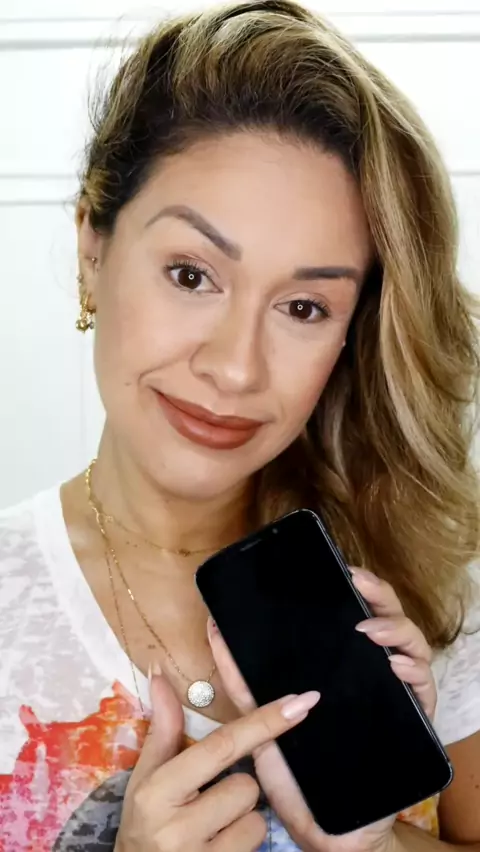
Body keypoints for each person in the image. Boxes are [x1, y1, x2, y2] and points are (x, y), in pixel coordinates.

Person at [1, 0, 479, 848]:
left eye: (304, 306)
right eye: (191, 275)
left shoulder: (428, 598)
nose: (235, 368)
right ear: (93, 251)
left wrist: (368, 846)